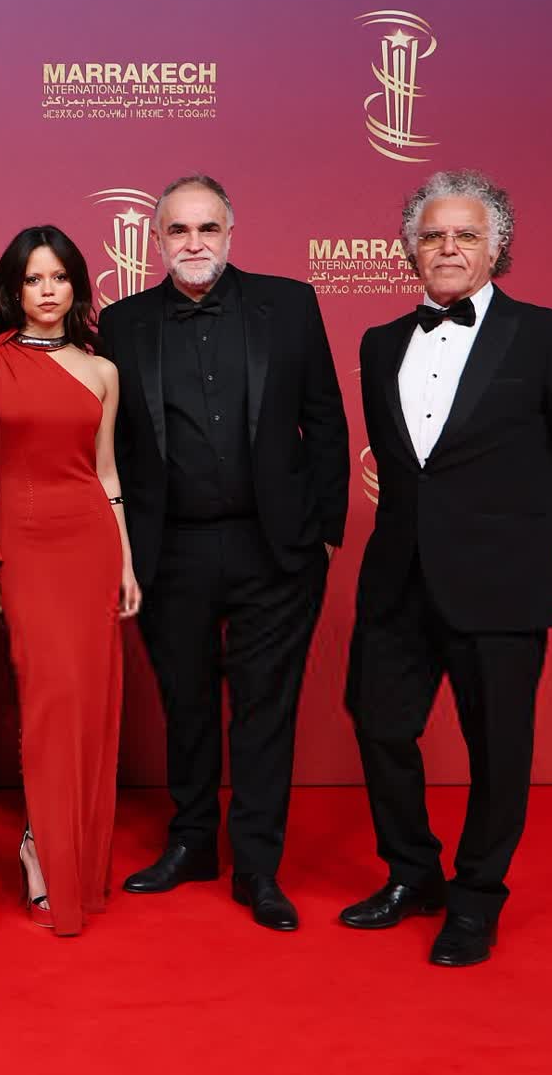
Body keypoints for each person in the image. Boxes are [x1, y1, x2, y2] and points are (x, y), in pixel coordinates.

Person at [342, 170, 552, 967]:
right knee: (379, 724)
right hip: (397, 578)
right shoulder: (379, 343)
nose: (449, 248)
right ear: (410, 251)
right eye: (433, 235)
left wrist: (525, 540)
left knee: (498, 748)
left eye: (466, 235)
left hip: (502, 583)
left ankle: (476, 900)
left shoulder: (548, 334)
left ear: (497, 249)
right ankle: (412, 873)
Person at [97, 174, 348, 932]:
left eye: (208, 228)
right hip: (169, 548)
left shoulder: (290, 304)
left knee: (265, 709)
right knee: (187, 704)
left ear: (231, 232)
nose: (194, 242)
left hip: (274, 548)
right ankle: (192, 843)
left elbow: (326, 421)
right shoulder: (123, 323)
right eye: (178, 230)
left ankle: (259, 866)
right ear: (156, 240)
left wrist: (320, 531)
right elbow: (113, 446)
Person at [0, 226, 138, 936]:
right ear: (14, 288)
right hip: (24, 545)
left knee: (90, 704)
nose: (47, 290)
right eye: (34, 278)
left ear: (76, 287)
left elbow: (105, 472)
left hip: (89, 543)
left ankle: (62, 848)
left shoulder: (102, 370)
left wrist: (125, 561)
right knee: (49, 698)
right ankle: (41, 845)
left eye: (59, 277)